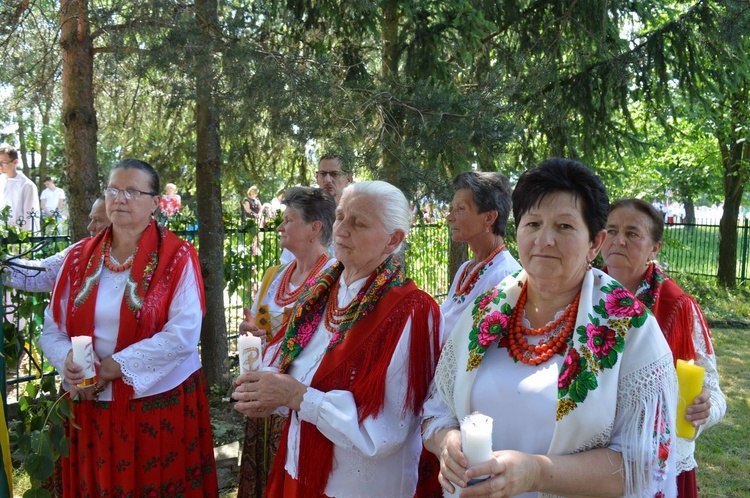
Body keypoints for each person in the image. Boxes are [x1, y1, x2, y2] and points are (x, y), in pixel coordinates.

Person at [422, 158, 678, 498]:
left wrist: (536, 473)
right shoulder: (484, 310)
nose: (544, 240)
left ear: (595, 242)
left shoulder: (630, 326)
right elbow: (436, 412)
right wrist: (448, 443)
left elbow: (646, 464)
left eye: (564, 227)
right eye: (533, 223)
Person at [232, 181, 442, 497]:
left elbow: (386, 430)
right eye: (341, 216)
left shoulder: (410, 309)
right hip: (298, 469)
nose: (341, 230)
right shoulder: (321, 292)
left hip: (353, 487)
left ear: (393, 239)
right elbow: (296, 372)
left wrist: (296, 397)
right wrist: (268, 394)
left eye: (358, 223)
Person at [39, 159, 218, 495]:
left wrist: (114, 367)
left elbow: (183, 334)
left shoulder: (178, 256)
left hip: (156, 405)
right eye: (113, 190)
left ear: (154, 203)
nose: (119, 199)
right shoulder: (78, 257)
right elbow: (52, 329)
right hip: (88, 400)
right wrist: (72, 364)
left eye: (132, 191)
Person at [602, 198, 726, 497]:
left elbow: (715, 394)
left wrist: (704, 409)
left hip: (654, 462)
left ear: (654, 247)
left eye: (633, 233)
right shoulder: (579, 293)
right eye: (612, 230)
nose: (619, 240)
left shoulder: (678, 307)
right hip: (589, 457)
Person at [236, 186, 337, 497]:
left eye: (289, 220)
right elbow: (256, 327)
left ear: (314, 228)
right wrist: (252, 334)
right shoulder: (273, 276)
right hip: (263, 403)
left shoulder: (334, 278)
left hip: (299, 406)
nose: (280, 227)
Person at [442, 171, 521, 340]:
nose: (450, 217)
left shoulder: (505, 276)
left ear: (489, 218)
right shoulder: (466, 268)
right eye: (452, 209)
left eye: (460, 209)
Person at [3, 198, 109, 293]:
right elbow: (38, 275)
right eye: (91, 219)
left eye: (98, 221)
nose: (90, 227)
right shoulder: (80, 252)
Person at [279, 155, 353, 265]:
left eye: (334, 174)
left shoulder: (356, 220)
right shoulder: (303, 216)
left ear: (348, 179)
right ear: (317, 178)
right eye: (323, 174)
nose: (328, 180)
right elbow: (288, 265)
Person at [0, 144, 40, 233]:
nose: (0, 166)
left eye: (4, 162)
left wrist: (26, 239)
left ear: (15, 162)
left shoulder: (26, 185)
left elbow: (30, 216)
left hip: (19, 238)